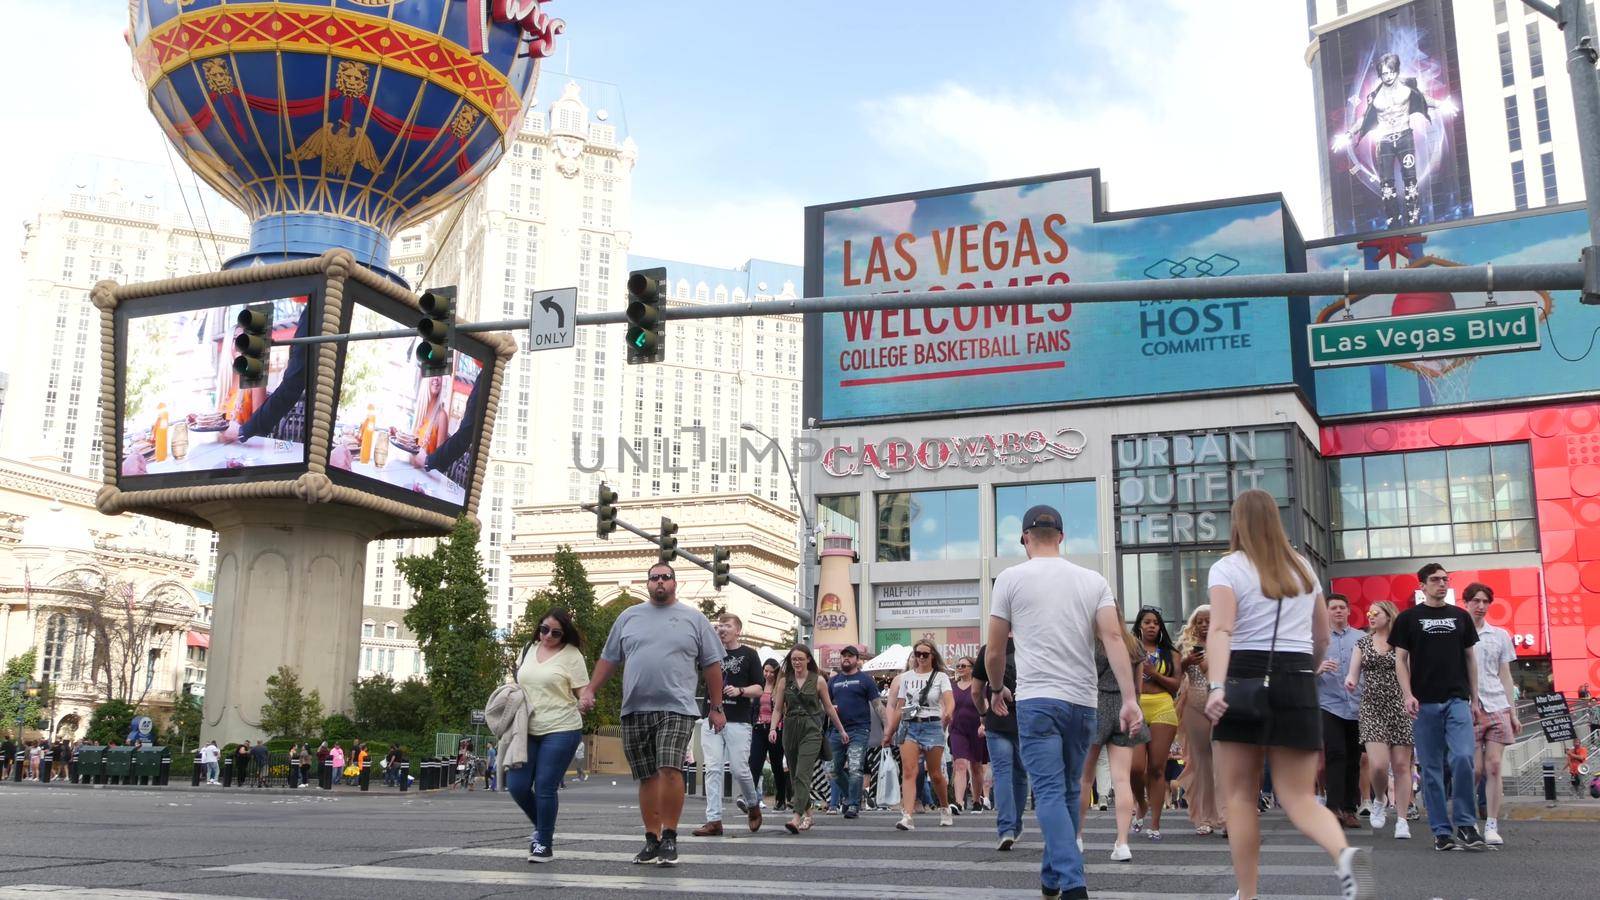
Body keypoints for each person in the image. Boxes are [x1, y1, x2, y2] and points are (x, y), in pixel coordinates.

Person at [1206, 489, 1374, 900]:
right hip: (1297, 677)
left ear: (1237, 521)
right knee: (1299, 796)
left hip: (1244, 678)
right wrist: (1306, 669)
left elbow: (1222, 629)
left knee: (1240, 796)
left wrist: (1215, 684)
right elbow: (1320, 637)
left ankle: (1247, 893)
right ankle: (1344, 855)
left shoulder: (1226, 568)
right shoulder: (1304, 569)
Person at [986, 504, 1142, 900]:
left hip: (1038, 698)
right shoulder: (1093, 580)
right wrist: (1129, 699)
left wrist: (995, 687)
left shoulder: (1010, 578)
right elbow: (1113, 639)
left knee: (1052, 793)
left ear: (1024, 539)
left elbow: (995, 649)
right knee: (1070, 790)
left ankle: (1073, 882)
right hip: (1083, 701)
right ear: (1061, 536)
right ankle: (1053, 877)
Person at [580, 562, 725, 867]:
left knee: (669, 768)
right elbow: (609, 659)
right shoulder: (628, 617)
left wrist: (716, 706)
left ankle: (670, 836)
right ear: (647, 583)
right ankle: (652, 839)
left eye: (665, 577)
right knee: (646, 777)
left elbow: (712, 665)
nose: (660, 582)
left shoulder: (694, 619)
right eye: (654, 578)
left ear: (675, 582)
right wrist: (590, 689)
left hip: (677, 707)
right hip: (634, 708)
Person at [1392, 563, 1484, 852]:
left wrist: (1475, 697)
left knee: (1463, 759)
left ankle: (1467, 824)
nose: (1442, 584)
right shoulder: (1408, 619)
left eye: (1445, 579)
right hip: (1424, 703)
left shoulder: (1460, 617)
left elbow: (1470, 658)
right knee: (1431, 769)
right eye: (1435, 580)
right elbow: (1400, 660)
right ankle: (1441, 832)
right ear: (1423, 585)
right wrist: (1407, 694)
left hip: (1457, 699)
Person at [508, 608, 589, 863]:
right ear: (538, 627)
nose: (548, 636)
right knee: (517, 786)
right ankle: (543, 827)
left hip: (562, 727)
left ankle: (544, 843)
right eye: (544, 629)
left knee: (544, 786)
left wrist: (586, 699)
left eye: (556, 633)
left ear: (564, 634)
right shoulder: (528, 649)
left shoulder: (572, 655)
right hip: (526, 728)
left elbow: (582, 689)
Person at [1080, 618, 1151, 863]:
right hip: (1124, 704)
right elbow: (1138, 688)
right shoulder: (1133, 644)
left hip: (1095, 705)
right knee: (1122, 779)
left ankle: (1076, 837)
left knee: (1085, 777)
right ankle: (1122, 842)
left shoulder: (1091, 643)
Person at [1345, 600, 1413, 840]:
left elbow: (1411, 672)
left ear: (1389, 615)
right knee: (1378, 765)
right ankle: (1380, 798)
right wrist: (1351, 681)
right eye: (1369, 613)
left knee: (1403, 766)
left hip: (1400, 705)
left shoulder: (1403, 643)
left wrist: (1412, 697)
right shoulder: (1362, 643)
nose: (1371, 616)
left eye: (1376, 613)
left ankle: (1402, 820)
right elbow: (1353, 672)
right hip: (1372, 707)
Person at [693, 613, 765, 836]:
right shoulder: (709, 654)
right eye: (719, 625)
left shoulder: (749, 655)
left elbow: (760, 688)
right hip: (711, 717)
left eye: (727, 625)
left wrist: (741, 691)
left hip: (738, 720)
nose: (722, 629)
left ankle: (753, 804)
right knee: (712, 768)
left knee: (739, 769)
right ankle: (714, 820)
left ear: (738, 630)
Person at [1346, 51, 1437, 228]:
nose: (1387, 76)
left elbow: (1424, 99)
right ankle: (1393, 219)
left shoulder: (1407, 87)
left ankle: (1413, 216)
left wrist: (1441, 104)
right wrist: (1350, 132)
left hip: (1404, 136)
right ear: (1380, 74)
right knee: (1386, 184)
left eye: (1390, 72)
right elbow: (1364, 119)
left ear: (1396, 71)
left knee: (1410, 180)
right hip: (1385, 141)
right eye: (1384, 73)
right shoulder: (1375, 96)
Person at [1462, 583, 1519, 846]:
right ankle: (1468, 819)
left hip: (1497, 704)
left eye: (1485, 601)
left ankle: (1492, 823)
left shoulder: (1500, 635)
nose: (1480, 606)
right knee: (1473, 769)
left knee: (1494, 765)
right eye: (1475, 600)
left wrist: (1513, 712)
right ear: (1466, 603)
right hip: (1467, 706)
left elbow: (1505, 675)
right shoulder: (1458, 633)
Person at [771, 644, 849, 833]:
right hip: (790, 728)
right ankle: (809, 815)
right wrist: (773, 728)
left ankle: (796, 817)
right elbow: (778, 709)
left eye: (800, 658)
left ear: (808, 659)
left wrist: (841, 730)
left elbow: (829, 708)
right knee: (794, 773)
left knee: (802, 773)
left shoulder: (819, 680)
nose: (797, 662)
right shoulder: (784, 682)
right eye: (793, 659)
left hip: (811, 729)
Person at [883, 639, 956, 831]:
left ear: (933, 656)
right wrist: (889, 731)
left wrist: (948, 713)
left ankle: (944, 806)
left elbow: (949, 699)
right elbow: (900, 707)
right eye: (918, 654)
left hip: (932, 725)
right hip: (909, 726)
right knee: (909, 771)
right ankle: (907, 816)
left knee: (936, 774)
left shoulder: (941, 677)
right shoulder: (906, 677)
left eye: (925, 654)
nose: (921, 658)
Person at [1131, 607, 1180, 841]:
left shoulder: (1170, 653)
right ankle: (1141, 803)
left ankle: (1155, 823)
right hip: (1137, 706)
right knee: (1136, 768)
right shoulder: (1129, 649)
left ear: (1160, 628)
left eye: (1156, 623)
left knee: (1157, 768)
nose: (1152, 626)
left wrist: (1154, 672)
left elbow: (1176, 686)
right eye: (1147, 622)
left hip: (1162, 706)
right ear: (1140, 625)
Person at [974, 638, 1028, 850]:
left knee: (1002, 774)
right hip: (1026, 719)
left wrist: (982, 714)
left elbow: (976, 691)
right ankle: (1015, 825)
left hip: (996, 719)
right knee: (1021, 775)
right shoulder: (1031, 644)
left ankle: (1005, 829)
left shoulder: (989, 650)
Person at [1318, 594, 1366, 829]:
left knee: (1354, 758)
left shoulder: (1362, 638)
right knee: (1335, 753)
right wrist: (1317, 668)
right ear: (1326, 612)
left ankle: (1350, 808)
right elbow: (1300, 671)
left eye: (1342, 608)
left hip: (1357, 706)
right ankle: (1333, 806)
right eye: (1333, 608)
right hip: (1329, 704)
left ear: (1348, 611)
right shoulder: (1318, 639)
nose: (1338, 611)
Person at [1176, 604, 1223, 836]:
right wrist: (1186, 662)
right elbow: (1173, 675)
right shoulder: (1185, 646)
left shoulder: (1225, 642)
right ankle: (1204, 817)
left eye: (1208, 620)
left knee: (1223, 761)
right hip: (1194, 705)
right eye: (1200, 621)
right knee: (1201, 762)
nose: (1204, 625)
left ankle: (1225, 814)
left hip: (1222, 705)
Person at [827, 645, 880, 819]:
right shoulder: (833, 681)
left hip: (859, 730)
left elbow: (877, 705)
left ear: (857, 659)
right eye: (843, 656)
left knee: (856, 767)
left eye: (850, 656)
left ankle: (853, 805)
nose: (846, 659)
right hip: (836, 730)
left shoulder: (866, 680)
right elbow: (824, 704)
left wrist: (888, 729)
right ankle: (850, 797)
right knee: (833, 769)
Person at [948, 656, 988, 812]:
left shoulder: (980, 686)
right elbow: (946, 707)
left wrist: (984, 724)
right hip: (957, 730)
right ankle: (959, 802)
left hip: (976, 730)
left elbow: (985, 705)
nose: (960, 668)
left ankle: (977, 800)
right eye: (958, 665)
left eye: (963, 665)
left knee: (976, 767)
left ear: (972, 668)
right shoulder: (951, 687)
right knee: (960, 764)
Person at [750, 659, 787, 810]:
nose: (768, 674)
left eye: (772, 671)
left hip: (776, 730)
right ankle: (750, 798)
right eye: (766, 671)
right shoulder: (759, 686)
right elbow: (753, 708)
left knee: (777, 765)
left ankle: (780, 799)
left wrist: (777, 727)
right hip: (759, 728)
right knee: (754, 763)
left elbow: (782, 710)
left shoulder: (780, 686)